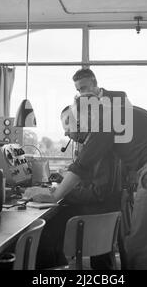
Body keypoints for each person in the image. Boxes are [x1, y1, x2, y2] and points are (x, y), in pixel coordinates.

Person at [24, 69, 147, 270]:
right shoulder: (117, 109)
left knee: (141, 249)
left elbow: (83, 165)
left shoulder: (104, 119)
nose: (75, 127)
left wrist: (54, 196)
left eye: (75, 120)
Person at [33, 105, 121, 270]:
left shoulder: (98, 147)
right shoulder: (100, 145)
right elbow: (95, 182)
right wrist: (65, 183)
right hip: (105, 214)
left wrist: (62, 193)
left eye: (67, 127)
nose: (66, 134)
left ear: (80, 123)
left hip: (96, 218)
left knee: (43, 226)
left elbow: (99, 192)